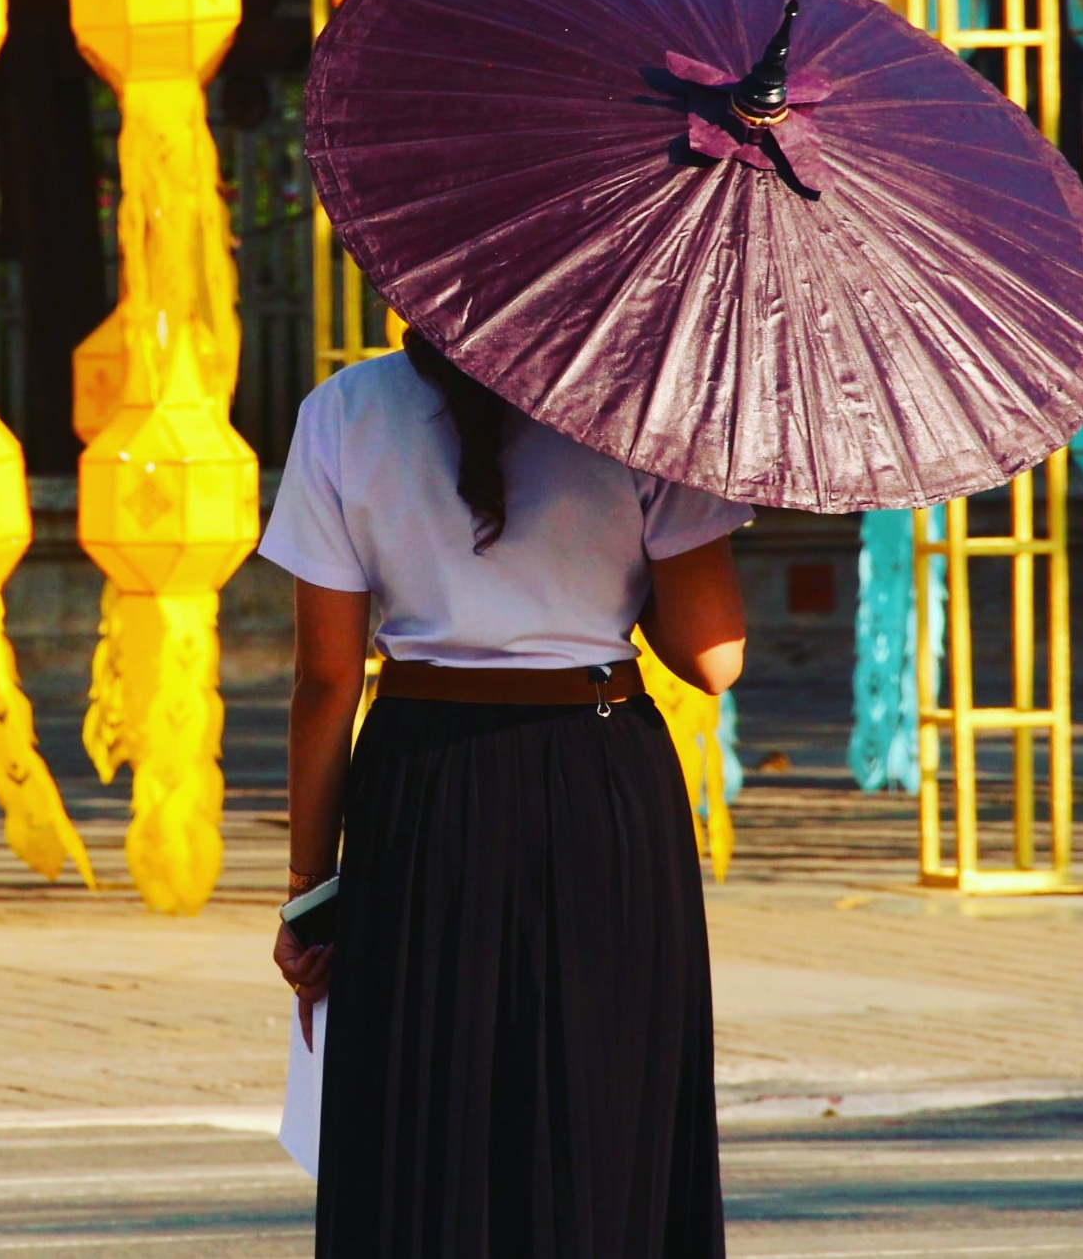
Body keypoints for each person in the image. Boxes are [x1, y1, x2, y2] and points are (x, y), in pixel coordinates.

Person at [261, 330, 750, 1259]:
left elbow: (326, 680)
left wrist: (310, 891)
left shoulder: (344, 411)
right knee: (604, 1098)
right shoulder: (649, 409)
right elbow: (713, 658)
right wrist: (631, 555)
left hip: (422, 782)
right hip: (601, 775)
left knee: (425, 1104)